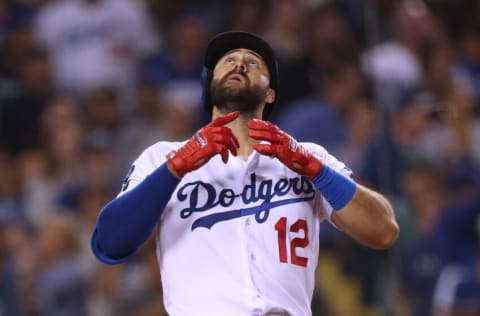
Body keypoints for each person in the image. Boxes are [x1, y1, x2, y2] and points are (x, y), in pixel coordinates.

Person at [91, 31, 399, 315]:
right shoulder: (162, 157)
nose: (239, 64)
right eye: (228, 61)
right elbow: (110, 243)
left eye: (252, 62)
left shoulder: (307, 157)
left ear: (270, 94)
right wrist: (175, 169)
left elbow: (383, 230)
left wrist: (316, 170)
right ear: (209, 86)